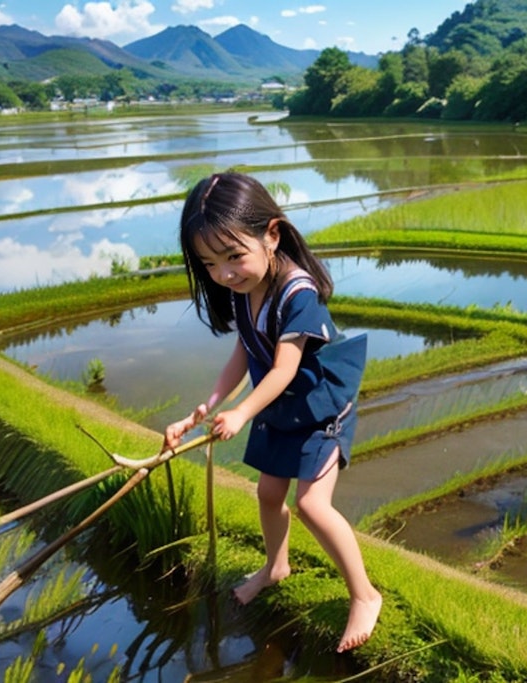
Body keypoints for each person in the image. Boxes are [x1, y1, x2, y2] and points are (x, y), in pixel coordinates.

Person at [161, 172, 381, 653]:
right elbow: (243, 354)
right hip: (282, 408)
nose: (224, 274)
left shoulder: (297, 293)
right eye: (209, 264)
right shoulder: (244, 289)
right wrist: (207, 406)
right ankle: (276, 566)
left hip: (321, 407)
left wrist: (241, 413)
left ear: (272, 234)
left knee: (311, 506)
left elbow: (283, 369)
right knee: (267, 494)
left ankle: (364, 595)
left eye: (233, 256)